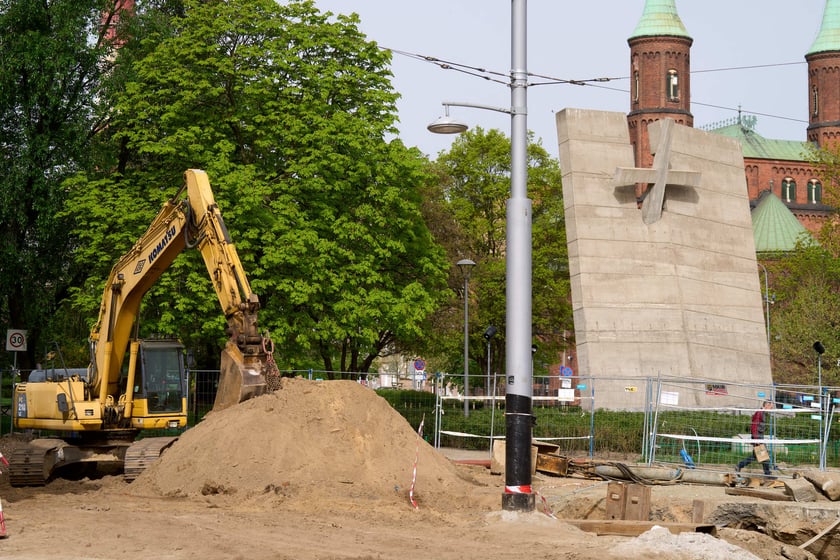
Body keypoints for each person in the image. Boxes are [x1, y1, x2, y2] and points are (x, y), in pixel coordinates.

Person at [736, 400, 773, 476]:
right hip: (758, 437)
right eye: (771, 407)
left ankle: (739, 465)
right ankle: (768, 474)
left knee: (755, 456)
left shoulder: (762, 413)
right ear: (766, 405)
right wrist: (756, 439)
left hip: (759, 437)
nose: (771, 409)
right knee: (764, 455)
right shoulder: (759, 413)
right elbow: (754, 426)